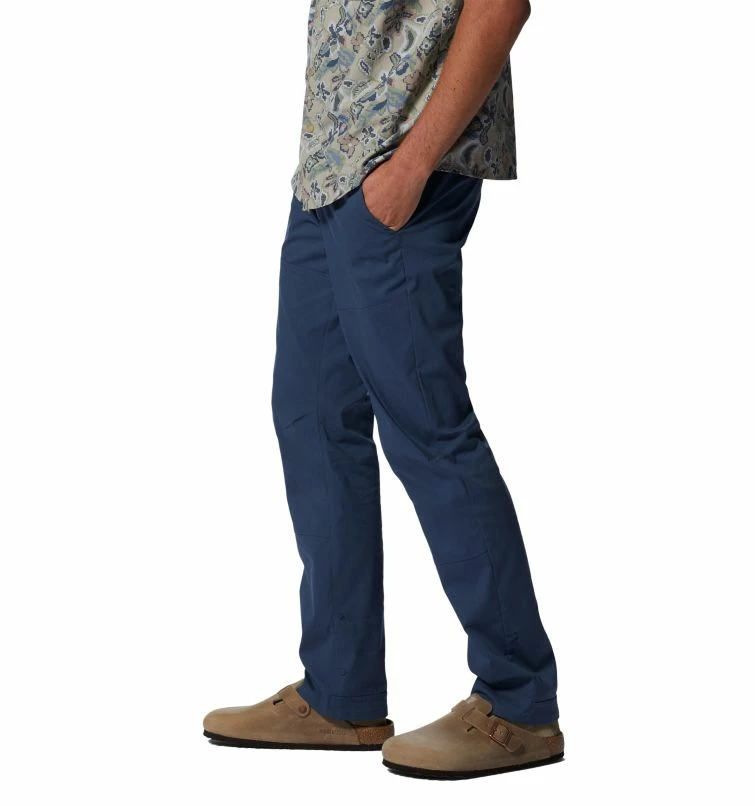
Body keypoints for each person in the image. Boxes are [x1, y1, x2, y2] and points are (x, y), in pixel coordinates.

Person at [203, 0, 562, 779]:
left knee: (427, 428)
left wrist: (411, 165)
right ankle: (340, 694)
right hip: (327, 172)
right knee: (312, 416)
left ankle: (518, 702)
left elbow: (501, 4)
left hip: (399, 167)